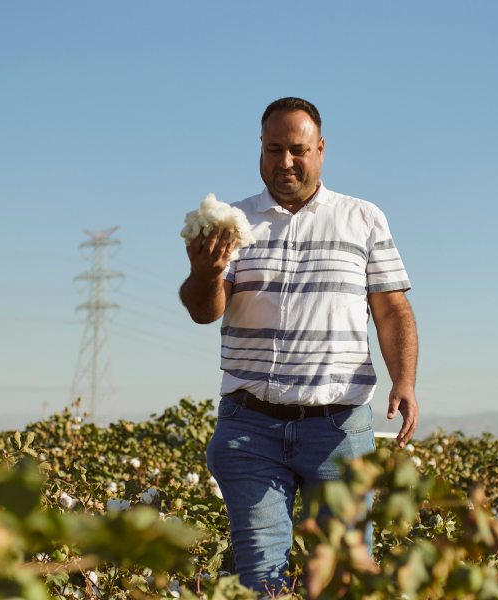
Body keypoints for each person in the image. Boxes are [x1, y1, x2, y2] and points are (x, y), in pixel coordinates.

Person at [179, 97, 418, 592]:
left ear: (321, 150)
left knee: (342, 577)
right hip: (250, 428)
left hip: (339, 430)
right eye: (273, 150)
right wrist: (204, 274)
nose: (284, 162)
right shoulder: (232, 222)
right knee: (261, 577)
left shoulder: (364, 219)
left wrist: (405, 381)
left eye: (297, 149)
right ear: (260, 151)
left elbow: (391, 309)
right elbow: (205, 310)